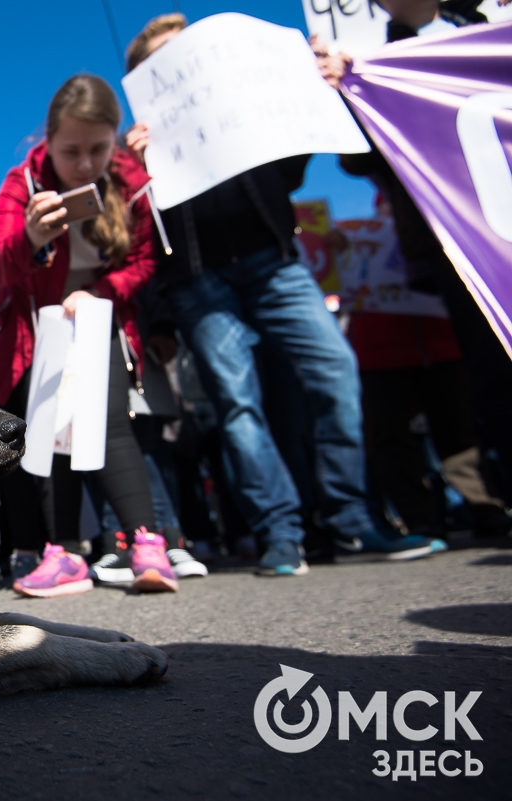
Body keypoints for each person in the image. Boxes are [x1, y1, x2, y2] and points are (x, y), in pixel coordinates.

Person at [124, 14, 442, 576]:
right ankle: (281, 534)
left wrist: (310, 91)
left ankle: (350, 521)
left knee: (336, 371)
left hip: (274, 261)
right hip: (200, 281)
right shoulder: (138, 156)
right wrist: (135, 171)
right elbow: (132, 233)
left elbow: (292, 169)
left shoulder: (244, 110)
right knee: (237, 405)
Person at [0, 74, 178, 595]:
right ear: (47, 140)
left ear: (116, 139)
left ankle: (147, 546)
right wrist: (29, 236)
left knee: (108, 423)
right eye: (71, 151)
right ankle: (61, 552)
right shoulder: (21, 181)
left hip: (97, 320)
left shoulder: (132, 179)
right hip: (37, 331)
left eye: (98, 149)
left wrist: (101, 292)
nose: (86, 164)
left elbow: (144, 262)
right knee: (48, 436)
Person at [314, 0, 512, 508]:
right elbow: (357, 160)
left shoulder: (486, 28)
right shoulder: (377, 57)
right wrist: (351, 94)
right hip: (462, 234)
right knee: (493, 366)